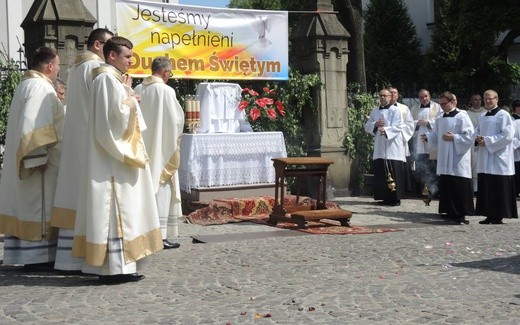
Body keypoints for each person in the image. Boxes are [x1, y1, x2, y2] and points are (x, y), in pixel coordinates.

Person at [71, 36, 163, 283]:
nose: (131, 61)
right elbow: (110, 123)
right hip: (111, 159)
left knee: (120, 211)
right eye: (127, 56)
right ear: (112, 55)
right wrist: (132, 101)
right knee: (114, 210)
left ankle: (121, 267)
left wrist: (128, 95)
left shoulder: (112, 80)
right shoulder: (105, 80)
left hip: (113, 158)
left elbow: (116, 110)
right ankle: (112, 270)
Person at [51, 28, 114, 272]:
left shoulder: (76, 68)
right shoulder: (96, 69)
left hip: (75, 139)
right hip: (91, 139)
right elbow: (104, 107)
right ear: (97, 45)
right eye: (108, 46)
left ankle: (70, 258)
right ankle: (90, 256)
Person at [0, 47, 64, 269]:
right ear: (49, 66)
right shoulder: (39, 86)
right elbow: (33, 124)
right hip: (40, 163)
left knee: (27, 205)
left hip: (33, 159)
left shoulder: (25, 84)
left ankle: (29, 255)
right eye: (57, 66)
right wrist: (37, 157)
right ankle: (38, 257)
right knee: (38, 206)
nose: (58, 70)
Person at [134, 56, 184, 249]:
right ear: (164, 72)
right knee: (161, 186)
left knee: (146, 187)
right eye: (169, 73)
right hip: (162, 149)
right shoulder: (166, 91)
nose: (169, 76)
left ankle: (145, 230)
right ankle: (161, 235)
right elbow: (175, 121)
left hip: (143, 148)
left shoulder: (138, 89)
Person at [422, 91, 474, 224]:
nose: (442, 106)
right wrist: (428, 137)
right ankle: (448, 210)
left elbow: (469, 136)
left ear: (453, 102)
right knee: (447, 183)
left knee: (458, 184)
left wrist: (455, 137)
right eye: (441, 104)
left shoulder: (462, 116)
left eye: (445, 103)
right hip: (444, 156)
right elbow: (436, 134)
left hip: (458, 157)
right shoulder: (440, 118)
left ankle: (460, 213)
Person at [473, 90, 518, 224]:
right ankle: (489, 214)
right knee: (487, 185)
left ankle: (499, 215)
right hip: (485, 156)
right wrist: (477, 139)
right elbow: (476, 132)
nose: (487, 101)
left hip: (499, 157)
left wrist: (487, 140)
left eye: (490, 99)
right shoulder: (482, 116)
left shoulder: (503, 115)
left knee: (498, 186)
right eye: (485, 99)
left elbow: (508, 135)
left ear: (497, 99)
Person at [364, 88, 405, 206]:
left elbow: (399, 126)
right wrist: (375, 125)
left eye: (385, 95)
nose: (382, 97)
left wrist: (386, 130)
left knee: (393, 171)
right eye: (381, 95)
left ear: (390, 97)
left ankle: (395, 198)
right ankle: (382, 197)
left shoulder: (395, 110)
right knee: (381, 171)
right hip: (379, 145)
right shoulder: (375, 111)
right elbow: (367, 126)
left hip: (392, 146)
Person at [410, 89, 442, 196]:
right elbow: (409, 123)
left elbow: (440, 121)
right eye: (421, 97)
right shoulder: (414, 108)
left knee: (433, 165)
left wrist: (429, 123)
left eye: (426, 96)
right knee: (421, 165)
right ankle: (423, 191)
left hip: (432, 141)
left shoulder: (437, 107)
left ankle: (435, 191)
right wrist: (417, 124)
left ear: (430, 96)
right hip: (419, 141)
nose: (424, 99)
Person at [388, 87, 414, 193]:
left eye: (395, 93)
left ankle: (403, 189)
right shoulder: (382, 108)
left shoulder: (404, 108)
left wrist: (402, 134)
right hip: (387, 141)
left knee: (401, 165)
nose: (393, 94)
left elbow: (410, 123)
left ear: (398, 95)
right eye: (391, 93)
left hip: (401, 139)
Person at [466, 94, 486, 192]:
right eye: (475, 100)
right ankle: (473, 188)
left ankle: (482, 187)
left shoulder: (486, 113)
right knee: (473, 163)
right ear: (471, 101)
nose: (477, 102)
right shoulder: (466, 113)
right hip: (471, 143)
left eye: (479, 100)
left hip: (483, 142)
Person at [510, 99, 520, 195]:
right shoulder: (511, 120)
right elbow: (510, 136)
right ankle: (516, 191)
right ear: (516, 108)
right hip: (516, 152)